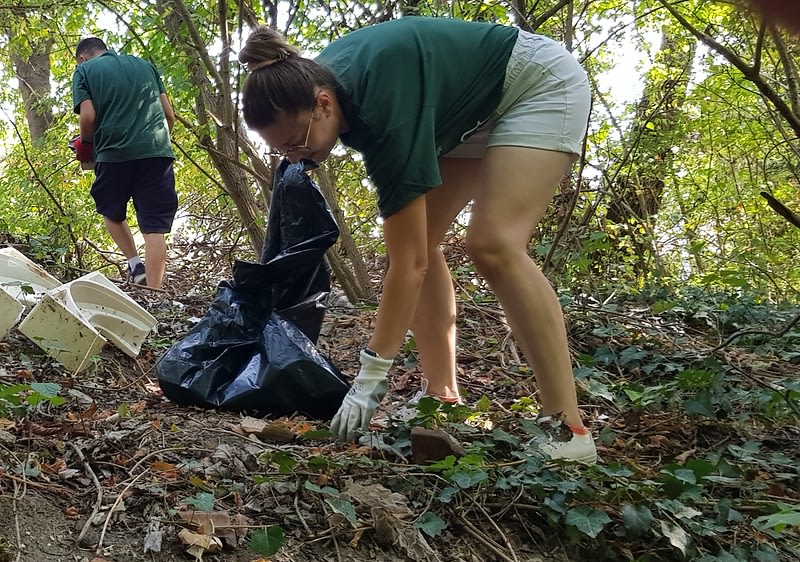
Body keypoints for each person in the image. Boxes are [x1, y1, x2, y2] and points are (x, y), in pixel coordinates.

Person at [238, 16, 597, 464]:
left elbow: (409, 269)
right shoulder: (307, 80)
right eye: (282, 150)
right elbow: (410, 255)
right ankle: (443, 396)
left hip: (535, 83)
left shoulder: (383, 111)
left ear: (323, 104)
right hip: (464, 112)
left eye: (296, 141)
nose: (294, 157)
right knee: (419, 241)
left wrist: (372, 373)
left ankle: (569, 429)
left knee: (493, 244)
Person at [71, 37, 177, 289]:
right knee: (154, 229)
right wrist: (156, 144)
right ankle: (156, 295)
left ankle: (134, 264)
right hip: (156, 152)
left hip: (113, 154)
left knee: (111, 212)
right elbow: (168, 115)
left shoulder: (84, 71)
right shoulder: (145, 65)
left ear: (82, 58)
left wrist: (86, 144)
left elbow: (88, 117)